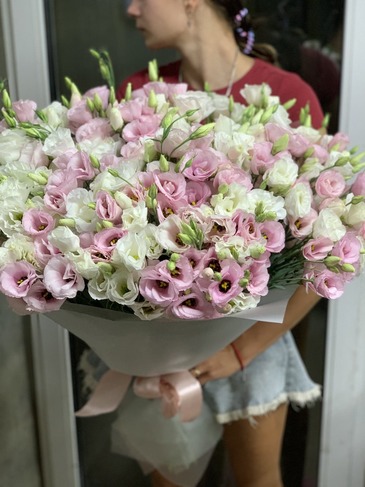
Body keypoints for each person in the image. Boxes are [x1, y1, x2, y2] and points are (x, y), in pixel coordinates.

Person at [113, 1, 324, 486]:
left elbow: (326, 255)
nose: (131, 9)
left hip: (253, 341)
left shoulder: (288, 96)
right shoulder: (137, 94)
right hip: (156, 344)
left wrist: (241, 351)